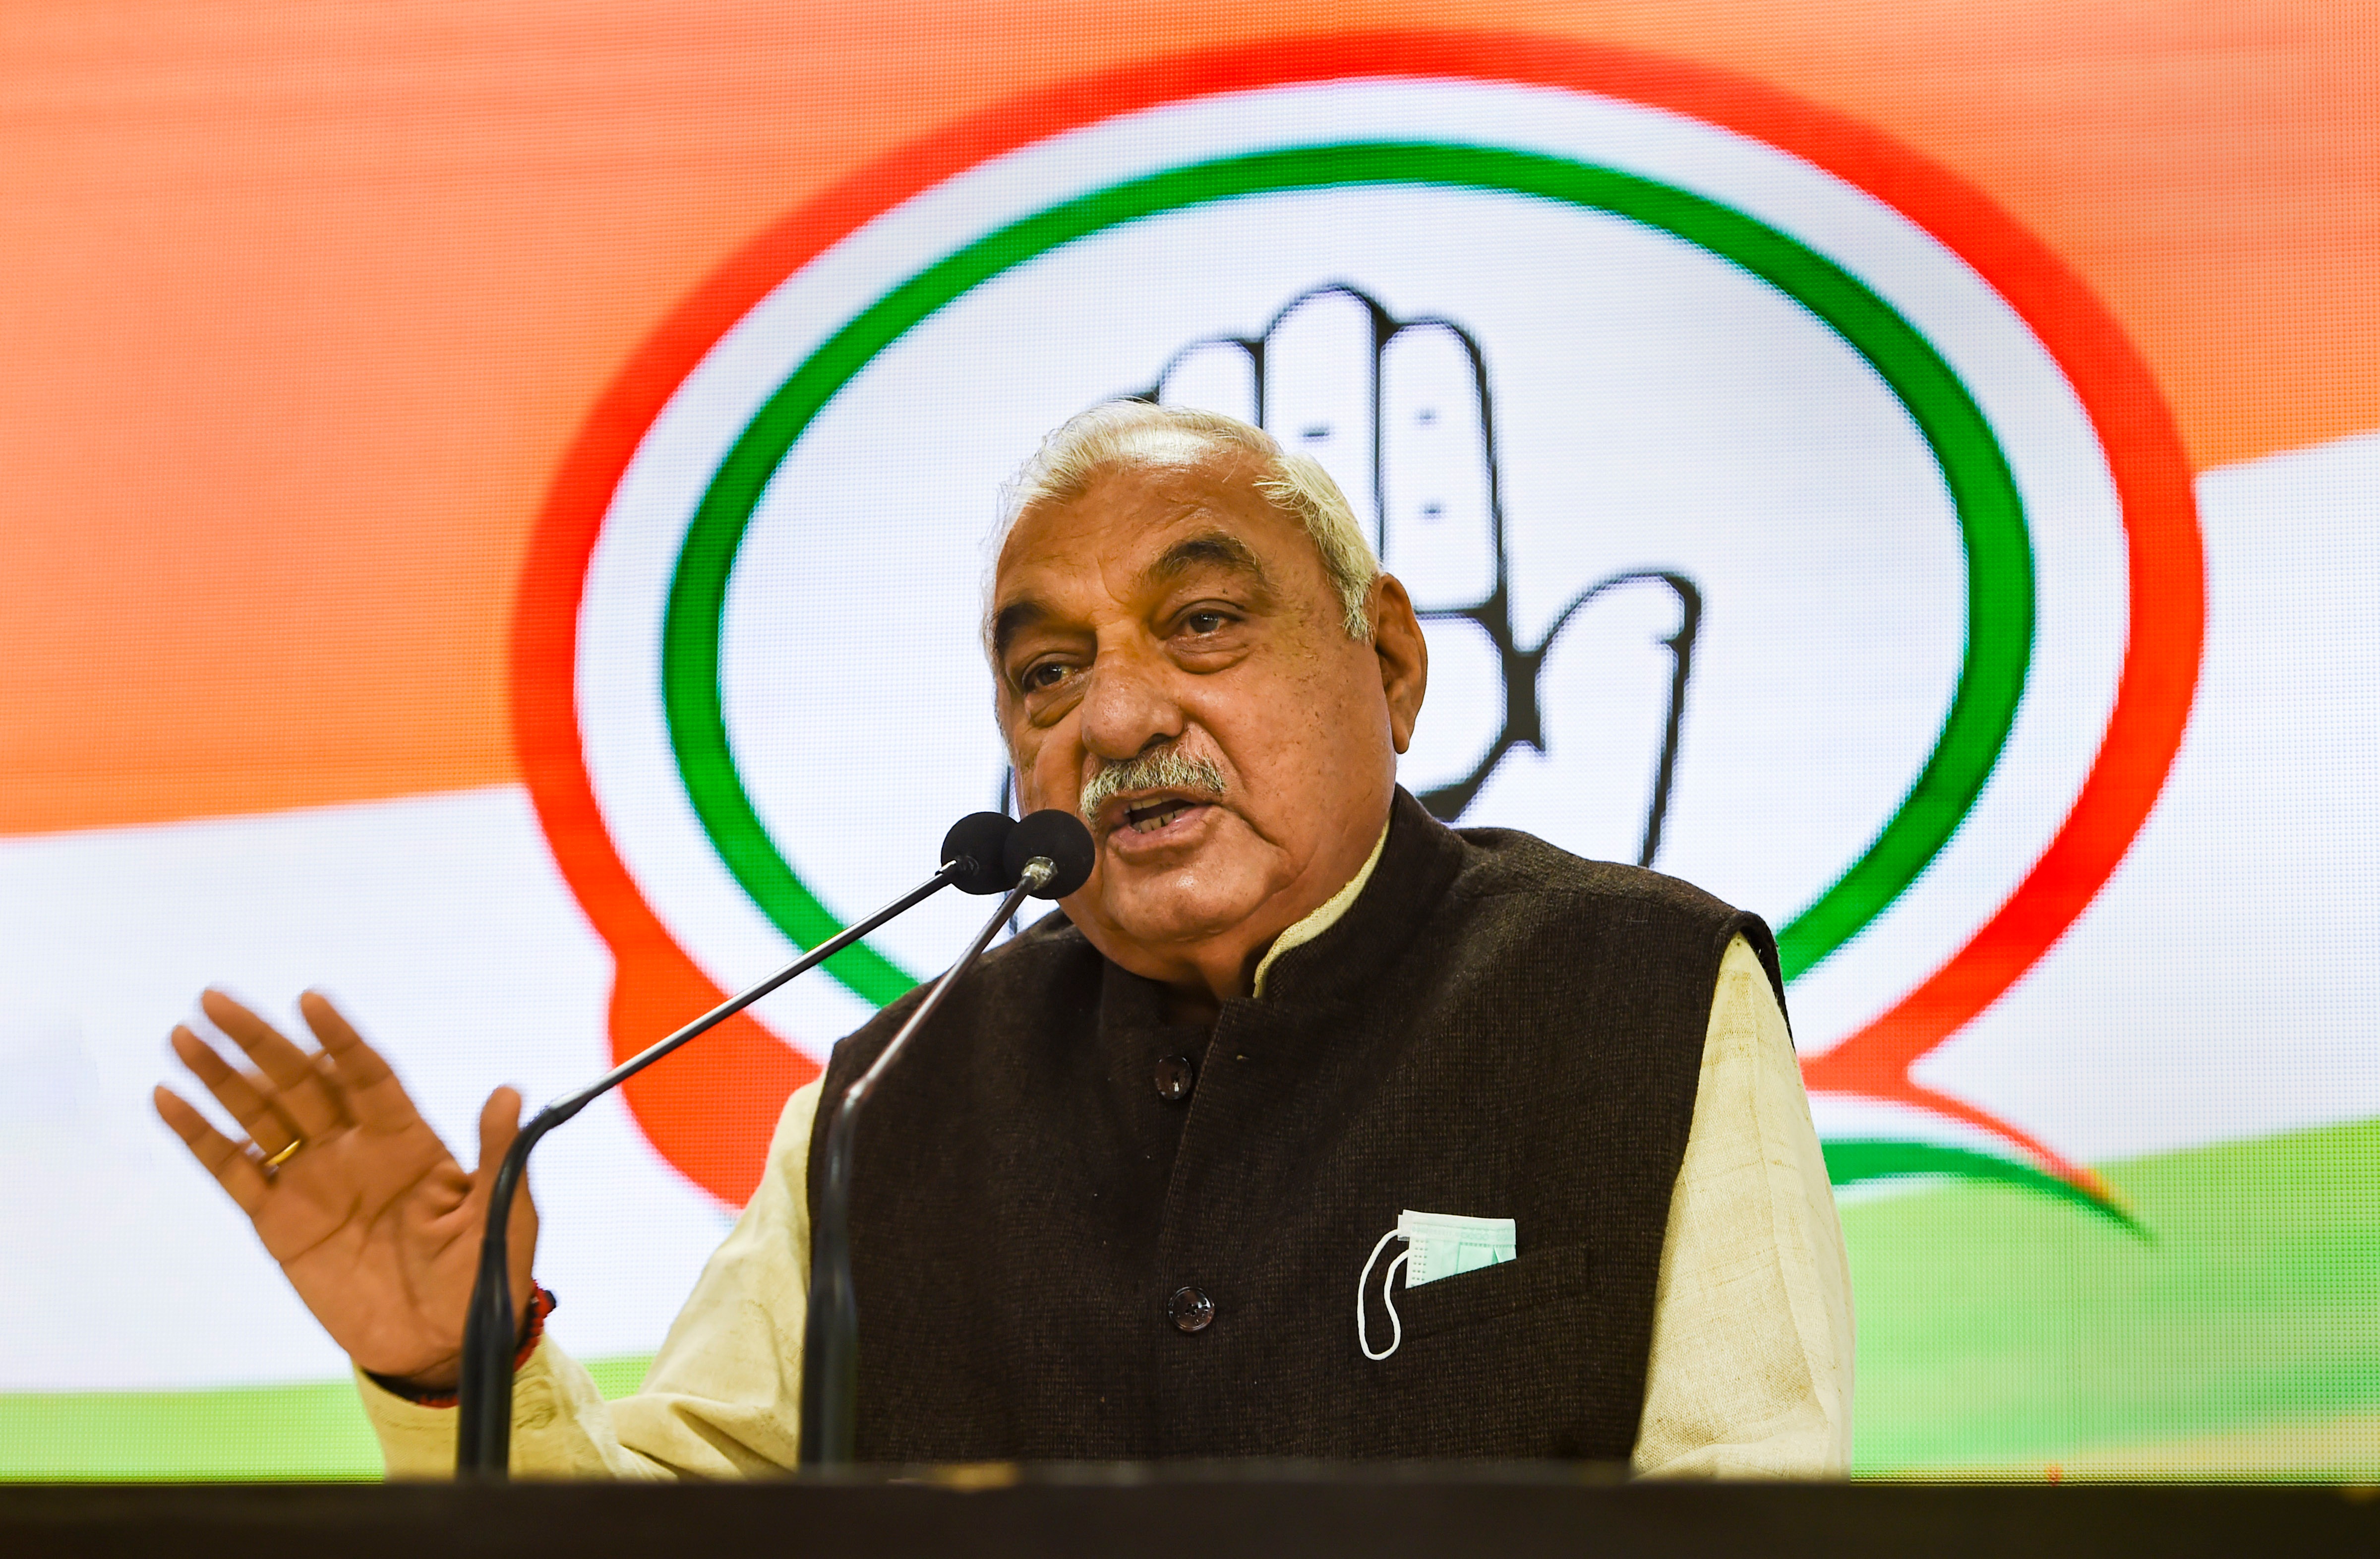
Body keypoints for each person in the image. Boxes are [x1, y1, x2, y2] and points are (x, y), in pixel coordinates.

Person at [156, 403, 1852, 1477]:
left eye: (1200, 624)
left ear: (1390, 666)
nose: (1114, 715)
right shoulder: (892, 1097)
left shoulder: (1633, 994)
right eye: (1046, 675)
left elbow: (1748, 1499)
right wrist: (459, 1365)